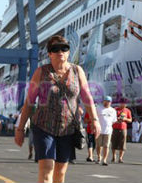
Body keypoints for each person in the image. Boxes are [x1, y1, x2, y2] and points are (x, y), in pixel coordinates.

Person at [14, 35, 101, 183]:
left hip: (67, 128)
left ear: (68, 52)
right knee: (47, 168)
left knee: (60, 172)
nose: (60, 51)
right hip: (43, 127)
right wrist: (20, 128)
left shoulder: (77, 71)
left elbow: (87, 97)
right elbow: (29, 102)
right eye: (55, 49)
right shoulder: (41, 72)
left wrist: (95, 120)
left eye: (64, 48)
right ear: (49, 53)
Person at [96, 95, 117, 165]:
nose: (107, 103)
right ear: (103, 101)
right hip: (99, 130)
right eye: (105, 101)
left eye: (108, 101)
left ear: (110, 102)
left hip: (108, 131)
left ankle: (104, 160)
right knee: (99, 145)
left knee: (106, 146)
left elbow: (114, 121)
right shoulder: (98, 108)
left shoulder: (113, 111)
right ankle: (99, 157)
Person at [111, 98, 132, 163]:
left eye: (125, 103)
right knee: (114, 142)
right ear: (120, 103)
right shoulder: (115, 109)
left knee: (122, 143)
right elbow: (111, 118)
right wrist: (117, 119)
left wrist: (125, 119)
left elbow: (130, 120)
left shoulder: (127, 110)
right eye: (123, 103)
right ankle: (114, 156)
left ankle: (120, 158)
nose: (124, 105)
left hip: (123, 128)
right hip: (115, 128)